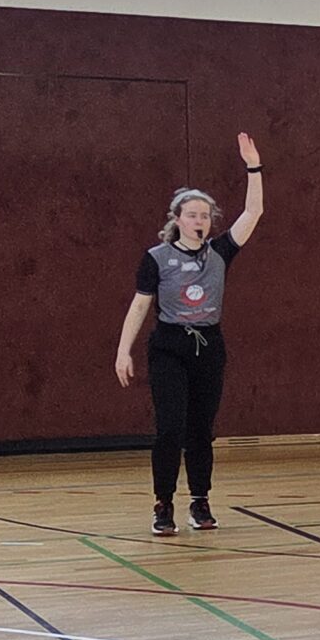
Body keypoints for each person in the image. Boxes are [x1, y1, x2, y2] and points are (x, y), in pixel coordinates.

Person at [114, 133, 265, 536]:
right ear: (177, 219)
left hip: (208, 346)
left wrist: (253, 167)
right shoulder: (156, 258)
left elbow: (253, 212)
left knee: (201, 429)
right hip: (170, 347)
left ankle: (200, 500)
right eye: (192, 214)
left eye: (205, 216)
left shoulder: (220, 253)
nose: (199, 221)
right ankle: (163, 503)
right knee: (170, 428)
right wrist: (123, 351)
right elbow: (140, 305)